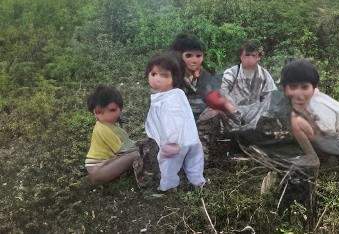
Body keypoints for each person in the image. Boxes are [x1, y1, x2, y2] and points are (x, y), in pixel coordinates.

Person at [281, 59, 339, 167]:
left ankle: (314, 158)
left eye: (304, 87)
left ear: (313, 87)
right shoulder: (308, 99)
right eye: (293, 87)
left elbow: (327, 131)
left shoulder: (316, 105)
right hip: (334, 137)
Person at [144, 53, 206, 191]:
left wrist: (172, 142)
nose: (157, 79)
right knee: (194, 162)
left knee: (168, 164)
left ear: (174, 78)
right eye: (153, 74)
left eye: (164, 75)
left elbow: (173, 121)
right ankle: (198, 182)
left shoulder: (167, 100)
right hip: (192, 139)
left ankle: (168, 186)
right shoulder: (178, 94)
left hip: (176, 142)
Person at [85, 85, 139, 184]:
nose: (107, 116)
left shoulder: (112, 123)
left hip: (108, 160)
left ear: (120, 108)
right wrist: (139, 147)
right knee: (134, 155)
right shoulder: (103, 129)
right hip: (97, 167)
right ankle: (97, 177)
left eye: (112, 110)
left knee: (133, 153)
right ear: (94, 112)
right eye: (99, 112)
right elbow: (123, 149)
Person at [220, 40, 277, 129]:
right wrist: (233, 109)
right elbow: (223, 92)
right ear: (241, 57)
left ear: (258, 57)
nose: (250, 58)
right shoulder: (231, 72)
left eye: (253, 55)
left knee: (271, 97)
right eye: (247, 55)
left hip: (256, 112)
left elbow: (271, 96)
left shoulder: (264, 74)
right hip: (234, 112)